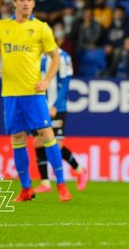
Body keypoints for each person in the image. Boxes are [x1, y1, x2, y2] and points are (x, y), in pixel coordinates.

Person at [0, 0, 71, 202]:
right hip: (11, 94)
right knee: (17, 138)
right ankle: (26, 188)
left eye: (29, 0)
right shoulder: (1, 26)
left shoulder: (42, 28)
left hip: (33, 93)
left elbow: (55, 58)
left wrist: (46, 81)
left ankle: (61, 184)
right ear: (14, 3)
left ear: (34, 4)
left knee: (46, 134)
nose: (25, 3)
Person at [33, 48, 88, 194]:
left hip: (57, 107)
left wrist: (56, 106)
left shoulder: (63, 57)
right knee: (38, 141)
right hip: (39, 105)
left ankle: (79, 170)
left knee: (56, 145)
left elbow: (66, 83)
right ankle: (45, 182)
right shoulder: (35, 54)